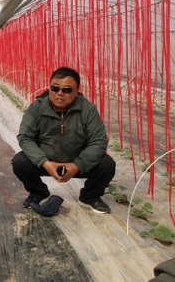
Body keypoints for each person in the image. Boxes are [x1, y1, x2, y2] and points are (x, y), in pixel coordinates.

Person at [12, 66, 116, 214]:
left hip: (77, 162)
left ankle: (90, 196)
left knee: (107, 164)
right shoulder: (37, 108)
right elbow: (25, 137)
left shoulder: (87, 110)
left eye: (66, 90)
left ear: (76, 91)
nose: (59, 93)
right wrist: (45, 163)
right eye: (55, 88)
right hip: (47, 161)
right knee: (20, 162)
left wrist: (77, 165)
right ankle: (38, 192)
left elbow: (99, 141)